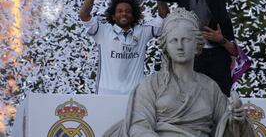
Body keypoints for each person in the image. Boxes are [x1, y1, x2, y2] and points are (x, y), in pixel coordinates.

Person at [103, 8, 255, 137]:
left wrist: (237, 120)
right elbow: (138, 127)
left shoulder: (210, 87)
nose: (180, 46)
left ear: (197, 44)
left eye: (186, 40)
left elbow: (227, 129)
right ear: (166, 46)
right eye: (174, 41)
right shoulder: (151, 85)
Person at [79, 0, 169, 95]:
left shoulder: (143, 31)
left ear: (133, 16)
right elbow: (84, 15)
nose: (124, 13)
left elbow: (165, 17)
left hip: (136, 95)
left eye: (128, 11)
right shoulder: (102, 31)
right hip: (106, 94)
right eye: (119, 11)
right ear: (113, 16)